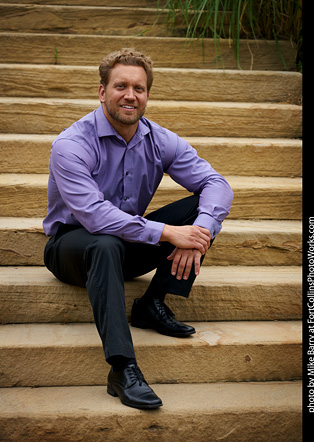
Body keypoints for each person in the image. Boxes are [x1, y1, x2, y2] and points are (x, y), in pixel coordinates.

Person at [43, 48, 233, 410]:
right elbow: (96, 216)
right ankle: (122, 368)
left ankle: (152, 303)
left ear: (147, 95)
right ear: (102, 92)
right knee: (103, 243)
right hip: (72, 249)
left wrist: (198, 232)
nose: (130, 95)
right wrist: (168, 233)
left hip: (127, 244)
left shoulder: (159, 138)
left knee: (201, 211)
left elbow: (217, 184)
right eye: (121, 86)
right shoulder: (71, 145)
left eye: (139, 88)